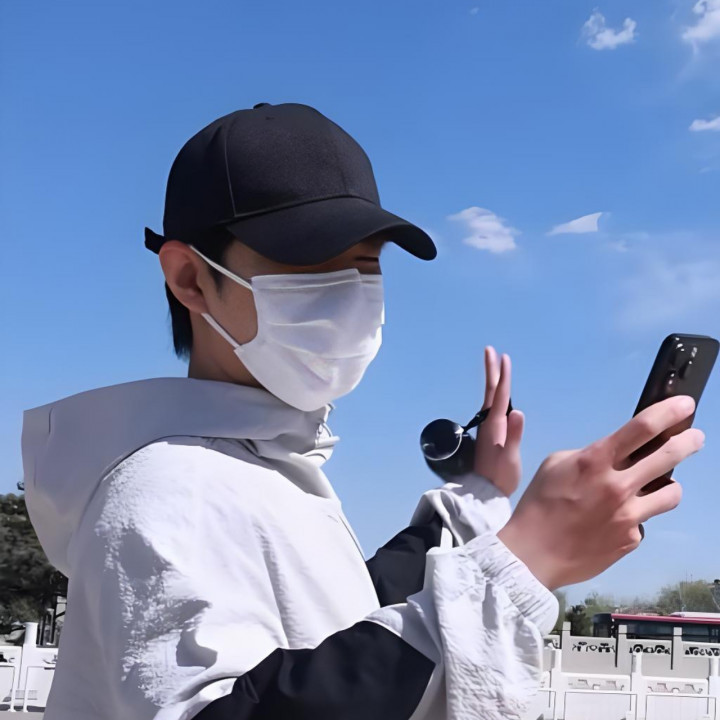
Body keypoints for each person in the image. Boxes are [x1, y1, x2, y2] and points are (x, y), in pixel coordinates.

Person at [21, 103, 704, 720]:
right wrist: (526, 562)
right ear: (190, 278)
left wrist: (479, 497)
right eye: (309, 262)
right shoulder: (168, 489)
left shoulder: (263, 465)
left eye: (367, 265)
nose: (350, 292)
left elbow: (342, 620)